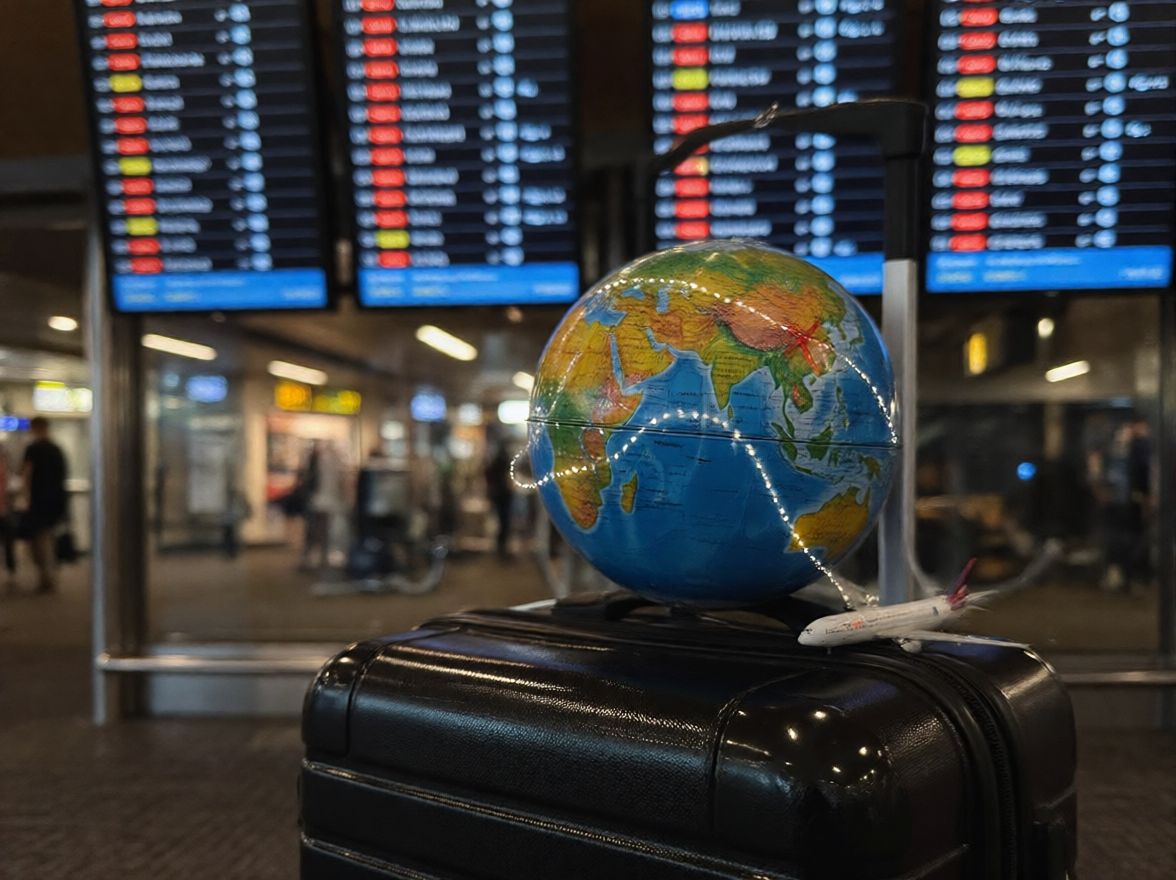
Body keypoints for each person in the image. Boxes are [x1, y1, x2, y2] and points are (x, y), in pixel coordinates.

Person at [22, 417, 67, 593]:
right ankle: (51, 574)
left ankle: (45, 576)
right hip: (55, 501)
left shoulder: (33, 449)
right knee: (49, 538)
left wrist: (23, 497)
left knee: (38, 540)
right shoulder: (57, 450)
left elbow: (26, 473)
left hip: (38, 501)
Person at [485, 444, 515, 559]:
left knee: (502, 522)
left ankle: (500, 547)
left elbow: (488, 474)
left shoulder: (495, 463)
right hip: (504, 496)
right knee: (504, 522)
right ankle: (502, 548)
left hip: (499, 495)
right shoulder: (504, 463)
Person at [0, 440, 16, 586]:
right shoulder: (5, 468)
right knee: (8, 543)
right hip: (5, 510)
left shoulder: (6, 469)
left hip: (4, 510)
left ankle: (11, 572)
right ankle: (11, 572)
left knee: (8, 543)